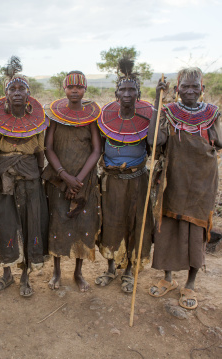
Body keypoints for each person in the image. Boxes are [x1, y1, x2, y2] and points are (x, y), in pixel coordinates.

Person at [148, 67, 221, 309]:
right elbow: (153, 142)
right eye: (184, 86)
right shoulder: (168, 113)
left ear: (202, 88)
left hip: (202, 182)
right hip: (173, 180)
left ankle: (190, 284)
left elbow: (219, 142)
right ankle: (167, 278)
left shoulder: (212, 113)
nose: (189, 91)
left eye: (194, 86)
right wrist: (158, 102)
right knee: (167, 228)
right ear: (177, 88)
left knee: (197, 230)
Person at [0, 56, 49, 297]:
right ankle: (6, 274)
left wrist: (37, 179)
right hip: (3, 182)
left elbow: (40, 154)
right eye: (13, 88)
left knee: (30, 225)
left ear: (29, 95)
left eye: (22, 89)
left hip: (30, 181)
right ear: (6, 94)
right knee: (5, 225)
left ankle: (25, 276)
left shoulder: (40, 121)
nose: (17, 92)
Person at [95, 56, 154, 293]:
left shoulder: (148, 117)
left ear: (138, 94)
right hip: (111, 181)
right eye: (123, 89)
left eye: (132, 89)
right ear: (116, 93)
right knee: (110, 222)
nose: (127, 93)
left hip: (138, 180)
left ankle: (129, 270)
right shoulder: (105, 119)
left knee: (136, 223)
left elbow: (153, 147)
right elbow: (98, 149)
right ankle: (111, 267)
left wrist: (159, 101)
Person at [43, 71, 102, 292]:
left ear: (85, 89)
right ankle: (57, 272)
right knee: (58, 223)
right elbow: (48, 147)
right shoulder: (55, 116)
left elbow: (97, 150)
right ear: (64, 89)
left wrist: (78, 180)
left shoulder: (91, 117)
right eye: (70, 87)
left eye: (79, 87)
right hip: (59, 180)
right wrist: (64, 176)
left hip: (84, 180)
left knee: (83, 226)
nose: (75, 91)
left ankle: (78, 273)